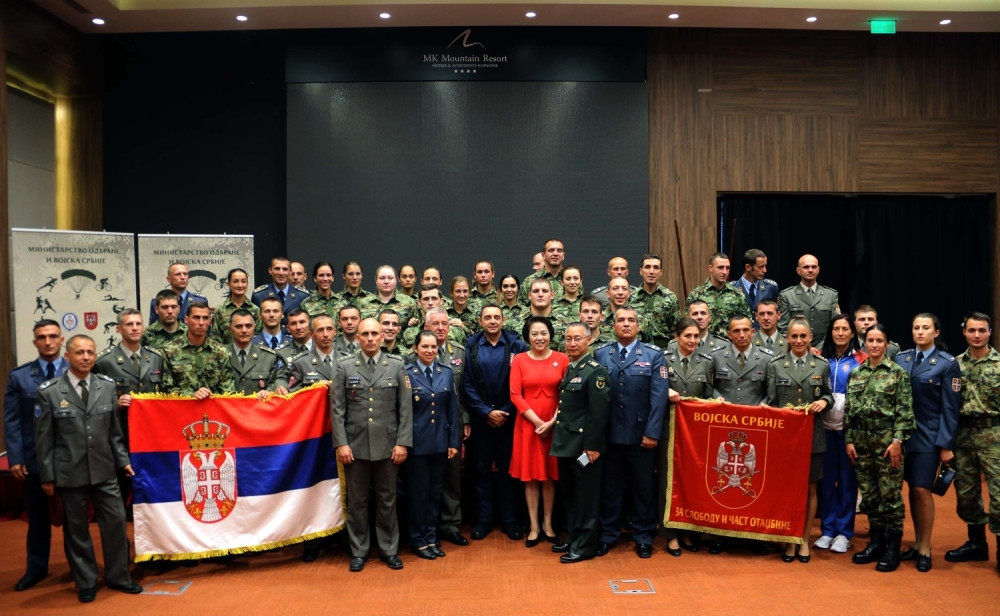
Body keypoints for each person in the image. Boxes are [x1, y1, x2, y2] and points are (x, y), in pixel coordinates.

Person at [34, 334, 143, 602]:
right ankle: (86, 580)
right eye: (80, 353)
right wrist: (47, 476)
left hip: (105, 470)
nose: (85, 357)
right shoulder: (49, 392)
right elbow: (44, 439)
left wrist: (123, 460)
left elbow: (114, 433)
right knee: (76, 529)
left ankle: (119, 576)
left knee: (116, 524)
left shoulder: (106, 387)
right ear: (67, 356)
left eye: (90, 353)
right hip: (70, 473)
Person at [331, 319, 412, 572]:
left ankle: (389, 549)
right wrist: (341, 444)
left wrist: (402, 443)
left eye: (374, 333)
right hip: (354, 445)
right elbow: (337, 410)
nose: (369, 338)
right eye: (364, 334)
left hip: (388, 445)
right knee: (357, 501)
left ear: (382, 337)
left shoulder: (397, 365)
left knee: (388, 499)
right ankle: (359, 550)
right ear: (357, 337)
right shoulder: (344, 366)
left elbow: (405, 409)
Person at [595, 306, 669, 559]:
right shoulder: (601, 354)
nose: (626, 324)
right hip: (610, 434)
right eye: (621, 320)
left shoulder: (653, 355)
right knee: (610, 488)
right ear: (612, 326)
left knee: (643, 488)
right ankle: (607, 535)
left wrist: (652, 433)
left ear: (638, 326)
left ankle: (644, 536)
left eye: (631, 320)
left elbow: (658, 398)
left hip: (641, 436)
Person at [893, 313, 961, 572]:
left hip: (928, 437)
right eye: (916, 327)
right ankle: (917, 540)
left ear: (936, 332)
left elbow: (950, 408)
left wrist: (945, 444)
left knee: (922, 489)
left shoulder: (946, 363)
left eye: (925, 328)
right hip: (903, 435)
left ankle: (925, 547)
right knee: (911, 488)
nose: (920, 332)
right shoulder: (902, 358)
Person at [845, 323, 915, 572]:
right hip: (862, 443)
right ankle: (876, 542)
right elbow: (850, 412)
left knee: (890, 497)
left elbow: (904, 412)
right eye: (870, 341)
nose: (874, 345)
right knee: (870, 496)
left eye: (879, 341)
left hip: (887, 444)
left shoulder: (897, 373)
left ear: (887, 344)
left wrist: (897, 442)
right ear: (864, 343)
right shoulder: (856, 373)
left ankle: (893, 546)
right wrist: (849, 440)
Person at [4, 319, 66, 591]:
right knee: (37, 519)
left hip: (70, 458)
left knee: (74, 520)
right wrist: (16, 457)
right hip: (35, 458)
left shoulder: (76, 369)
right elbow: (13, 421)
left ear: (62, 339)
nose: (48, 341)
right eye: (42, 337)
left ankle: (80, 568)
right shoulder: (19, 376)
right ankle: (36, 569)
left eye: (53, 336)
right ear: (35, 342)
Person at [766, 317, 833, 564]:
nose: (798, 341)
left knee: (810, 489)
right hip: (784, 440)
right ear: (787, 338)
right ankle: (789, 539)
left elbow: (828, 393)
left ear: (810, 338)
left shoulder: (821, 365)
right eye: (793, 337)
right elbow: (771, 402)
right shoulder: (775, 365)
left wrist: (825, 401)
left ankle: (804, 538)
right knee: (786, 490)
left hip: (812, 436)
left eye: (803, 336)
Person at [463, 304, 529, 541]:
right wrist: (486, 412)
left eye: (496, 317)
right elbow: (466, 384)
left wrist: (504, 411)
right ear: (480, 320)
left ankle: (510, 520)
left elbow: (522, 383)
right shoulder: (470, 346)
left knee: (507, 471)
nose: (492, 321)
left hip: (510, 419)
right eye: (487, 317)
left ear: (503, 320)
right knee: (481, 472)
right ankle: (483, 520)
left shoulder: (517, 345)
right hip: (482, 420)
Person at [550, 322, 610, 563]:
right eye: (568, 339)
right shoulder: (572, 368)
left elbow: (599, 413)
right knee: (570, 495)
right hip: (567, 443)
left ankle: (585, 546)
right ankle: (574, 537)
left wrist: (592, 446)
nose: (572, 343)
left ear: (588, 340)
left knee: (586, 497)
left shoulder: (595, 371)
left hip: (585, 447)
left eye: (577, 339)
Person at [93, 308, 165, 509]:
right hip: (120, 436)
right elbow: (93, 402)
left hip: (151, 437)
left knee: (152, 491)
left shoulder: (156, 358)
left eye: (138, 324)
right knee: (120, 493)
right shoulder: (103, 362)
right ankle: (120, 539)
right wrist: (115, 404)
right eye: (129, 324)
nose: (134, 328)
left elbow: (166, 392)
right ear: (118, 329)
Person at [946, 312, 1000, 575]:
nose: (976, 335)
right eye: (971, 330)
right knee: (966, 494)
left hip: (994, 436)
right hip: (963, 435)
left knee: (999, 496)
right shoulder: (955, 365)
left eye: (982, 330)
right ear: (964, 332)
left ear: (990, 331)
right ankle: (976, 543)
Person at [509, 316, 568, 547]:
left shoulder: (562, 359)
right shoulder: (520, 360)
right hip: (527, 426)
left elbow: (567, 393)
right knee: (531, 478)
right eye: (534, 334)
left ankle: (548, 524)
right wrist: (537, 423)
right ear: (527, 336)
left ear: (550, 334)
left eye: (543, 333)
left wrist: (552, 421)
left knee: (550, 477)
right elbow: (515, 394)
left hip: (555, 425)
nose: (539, 338)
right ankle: (533, 526)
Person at [404, 331, 459, 560]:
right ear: (416, 348)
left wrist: (453, 441)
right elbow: (403, 413)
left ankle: (431, 536)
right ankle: (418, 540)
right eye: (425, 346)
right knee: (419, 494)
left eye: (434, 347)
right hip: (417, 444)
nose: (430, 351)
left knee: (436, 493)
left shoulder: (445, 372)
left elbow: (452, 410)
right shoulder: (406, 373)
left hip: (440, 442)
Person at [663, 317, 716, 554]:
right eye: (688, 336)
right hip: (668, 429)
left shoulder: (706, 362)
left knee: (691, 481)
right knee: (667, 482)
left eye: (696, 336)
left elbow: (708, 394)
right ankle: (670, 534)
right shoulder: (664, 359)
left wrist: (718, 402)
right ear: (677, 337)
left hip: (695, 434)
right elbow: (654, 389)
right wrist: (666, 389)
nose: (693, 340)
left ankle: (688, 531)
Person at [815, 314, 866, 555]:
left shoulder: (861, 360)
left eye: (845, 329)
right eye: (836, 329)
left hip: (848, 432)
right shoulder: (820, 359)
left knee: (847, 483)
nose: (841, 333)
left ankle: (844, 533)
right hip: (823, 429)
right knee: (826, 482)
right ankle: (827, 529)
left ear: (852, 333)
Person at [160, 301, 235, 398]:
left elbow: (228, 391)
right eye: (196, 318)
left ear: (210, 322)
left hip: (213, 409)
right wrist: (191, 395)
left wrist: (211, 397)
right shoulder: (169, 351)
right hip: (182, 409)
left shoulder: (220, 352)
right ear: (186, 320)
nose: (201, 323)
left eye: (205, 318)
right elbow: (165, 388)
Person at [777, 254, 840, 348]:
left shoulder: (831, 295)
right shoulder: (787, 295)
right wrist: (803, 347)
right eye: (806, 267)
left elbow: (836, 326)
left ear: (818, 270)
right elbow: (783, 328)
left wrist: (820, 348)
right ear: (798, 270)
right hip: (797, 348)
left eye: (814, 267)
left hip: (825, 349)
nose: (810, 270)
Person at [686, 252, 750, 339]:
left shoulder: (737, 295)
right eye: (720, 267)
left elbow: (745, 322)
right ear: (710, 268)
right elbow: (689, 323)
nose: (724, 272)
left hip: (730, 344)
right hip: (704, 344)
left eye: (727, 268)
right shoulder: (697, 294)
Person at [227, 309, 289, 398]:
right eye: (238, 326)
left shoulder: (268, 357)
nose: (244, 330)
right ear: (230, 329)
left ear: (254, 327)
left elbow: (276, 382)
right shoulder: (220, 355)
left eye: (248, 326)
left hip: (259, 409)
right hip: (227, 409)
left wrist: (269, 391)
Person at [712, 315, 771, 406]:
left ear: (752, 332)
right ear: (729, 334)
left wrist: (764, 403)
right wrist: (716, 398)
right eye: (736, 331)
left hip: (755, 415)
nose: (742, 335)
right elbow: (708, 386)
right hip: (724, 414)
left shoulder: (766, 358)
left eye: (746, 330)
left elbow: (772, 390)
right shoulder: (716, 356)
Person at [630, 253, 682, 349]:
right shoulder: (631, 297)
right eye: (647, 267)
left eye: (656, 268)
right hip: (636, 349)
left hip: (663, 351)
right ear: (641, 271)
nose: (651, 272)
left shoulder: (670, 297)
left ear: (661, 272)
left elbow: (676, 330)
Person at [211, 268, 262, 345]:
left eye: (243, 281)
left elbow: (259, 337)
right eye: (235, 281)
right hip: (227, 355)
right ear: (228, 284)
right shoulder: (220, 310)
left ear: (247, 284)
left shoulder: (255, 310)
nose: (240, 285)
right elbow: (215, 339)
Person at [288, 314, 337, 393]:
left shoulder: (347, 361)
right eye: (320, 330)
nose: (325, 334)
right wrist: (314, 389)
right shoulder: (301, 363)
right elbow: (294, 398)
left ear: (335, 332)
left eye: (329, 329)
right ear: (311, 335)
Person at [359, 265, 419, 329]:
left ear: (396, 280)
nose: (386, 282)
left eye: (390, 278)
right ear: (376, 280)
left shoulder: (409, 303)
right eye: (382, 278)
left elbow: (415, 329)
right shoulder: (363, 303)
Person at [735, 248, 779, 319]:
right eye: (761, 267)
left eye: (765, 266)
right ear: (748, 267)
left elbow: (776, 314)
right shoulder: (733, 288)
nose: (765, 270)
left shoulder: (771, 288)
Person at [520, 238, 565, 303]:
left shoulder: (572, 280)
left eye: (559, 250)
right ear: (543, 255)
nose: (555, 253)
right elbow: (522, 307)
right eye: (551, 250)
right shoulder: (530, 281)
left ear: (563, 255)